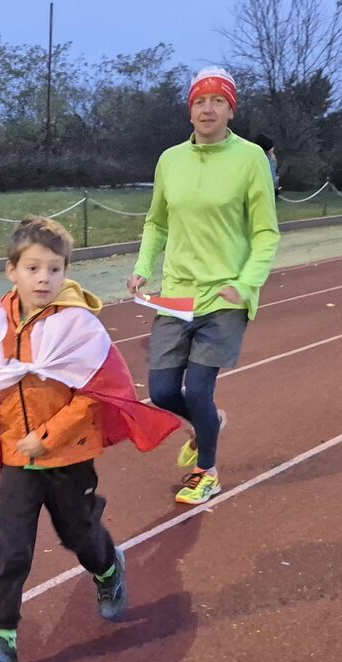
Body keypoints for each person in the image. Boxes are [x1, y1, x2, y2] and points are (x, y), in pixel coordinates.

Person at [0, 216, 181, 662]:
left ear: (66, 272)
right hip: (17, 458)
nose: (44, 278)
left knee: (79, 535)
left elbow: (93, 394)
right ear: (11, 270)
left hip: (67, 456)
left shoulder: (77, 324)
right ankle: (4, 643)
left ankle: (108, 570)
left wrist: (47, 437)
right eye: (33, 268)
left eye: (54, 269)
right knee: (11, 547)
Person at [126, 67, 281, 506]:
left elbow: (266, 233)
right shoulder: (170, 160)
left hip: (225, 294)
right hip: (177, 294)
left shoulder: (250, 158)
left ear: (231, 110)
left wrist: (246, 283)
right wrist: (143, 266)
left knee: (197, 390)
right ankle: (209, 421)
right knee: (161, 391)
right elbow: (157, 222)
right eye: (199, 101)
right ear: (190, 109)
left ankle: (206, 471)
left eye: (218, 101)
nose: (207, 109)